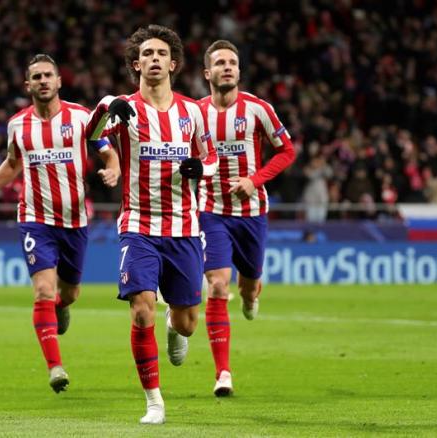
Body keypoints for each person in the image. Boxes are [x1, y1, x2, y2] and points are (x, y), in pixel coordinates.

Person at [86, 25, 218, 424]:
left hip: (183, 228)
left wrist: (202, 169)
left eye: (162, 53)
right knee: (141, 309)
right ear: (136, 64)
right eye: (147, 54)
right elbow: (92, 137)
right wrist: (106, 105)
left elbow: (211, 159)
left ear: (173, 63)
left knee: (188, 322)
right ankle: (154, 402)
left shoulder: (192, 111)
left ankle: (175, 329)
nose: (155, 59)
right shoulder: (124, 109)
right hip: (139, 225)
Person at [0, 54, 120, 394]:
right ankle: (55, 367)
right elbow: (12, 163)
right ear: (28, 85)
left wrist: (113, 168)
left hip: (76, 221)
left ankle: (62, 308)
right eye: (35, 76)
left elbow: (106, 149)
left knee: (69, 293)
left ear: (59, 81)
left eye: (48, 75)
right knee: (43, 290)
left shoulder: (82, 117)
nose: (42, 81)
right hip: (35, 219)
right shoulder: (17, 125)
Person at [198, 40, 296, 396]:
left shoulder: (258, 109)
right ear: (207, 73)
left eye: (233, 62)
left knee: (247, 285)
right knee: (218, 285)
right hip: (211, 212)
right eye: (220, 63)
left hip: (252, 213)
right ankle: (223, 372)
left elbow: (287, 151)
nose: (227, 67)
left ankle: (252, 294)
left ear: (239, 71)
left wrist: (254, 181)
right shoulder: (195, 114)